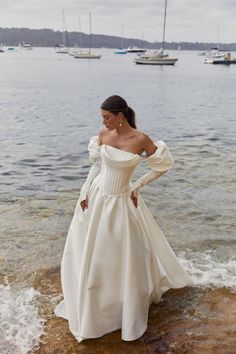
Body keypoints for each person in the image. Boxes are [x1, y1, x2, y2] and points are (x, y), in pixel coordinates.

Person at [54, 95, 193, 342]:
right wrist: (84, 191)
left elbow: (163, 165)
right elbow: (96, 166)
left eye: (107, 118)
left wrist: (137, 185)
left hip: (121, 201)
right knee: (92, 254)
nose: (104, 122)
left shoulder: (140, 139)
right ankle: (94, 304)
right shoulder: (104, 135)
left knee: (120, 256)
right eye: (102, 118)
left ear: (120, 116)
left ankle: (120, 305)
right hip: (97, 197)